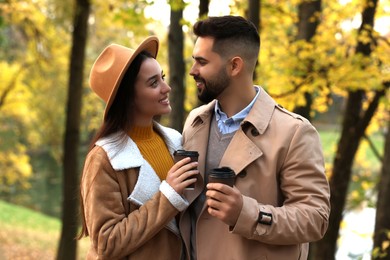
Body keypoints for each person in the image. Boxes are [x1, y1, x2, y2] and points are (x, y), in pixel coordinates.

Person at [178, 15, 331, 260]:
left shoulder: (294, 132)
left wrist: (246, 213)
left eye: (202, 62)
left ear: (234, 66)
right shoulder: (196, 121)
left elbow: (315, 218)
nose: (193, 71)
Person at [78, 36, 198, 259]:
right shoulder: (104, 158)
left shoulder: (177, 141)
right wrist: (168, 196)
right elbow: (107, 243)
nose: (167, 88)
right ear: (128, 97)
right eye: (154, 83)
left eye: (162, 78)